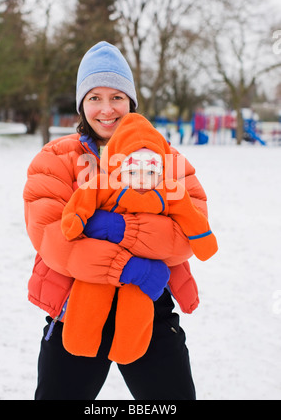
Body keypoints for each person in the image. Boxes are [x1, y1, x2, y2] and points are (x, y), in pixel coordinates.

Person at [23, 41, 213, 400]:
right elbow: (54, 242)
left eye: (117, 97)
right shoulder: (55, 160)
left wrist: (118, 229)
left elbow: (190, 232)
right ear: (81, 104)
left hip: (150, 307)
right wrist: (131, 267)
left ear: (131, 103)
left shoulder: (167, 159)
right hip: (73, 307)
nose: (106, 109)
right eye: (94, 97)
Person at [60, 112, 217, 365]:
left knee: (138, 305)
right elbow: (82, 201)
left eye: (151, 171)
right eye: (133, 171)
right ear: (119, 169)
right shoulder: (104, 184)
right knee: (89, 292)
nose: (143, 179)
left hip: (146, 264)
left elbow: (191, 217)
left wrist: (204, 240)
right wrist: (76, 222)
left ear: (162, 171)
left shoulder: (171, 191)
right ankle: (80, 340)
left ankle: (128, 350)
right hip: (100, 261)